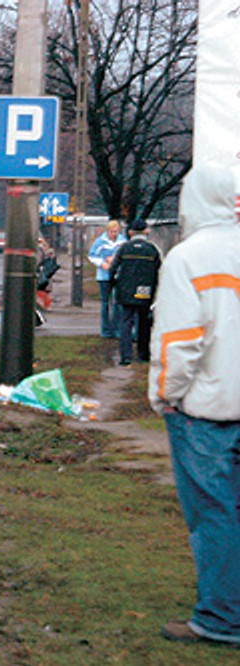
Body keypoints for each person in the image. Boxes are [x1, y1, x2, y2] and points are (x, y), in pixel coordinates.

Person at [148, 162, 240, 647]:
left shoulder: (190, 259)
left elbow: (180, 343)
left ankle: (221, 618)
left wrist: (165, 394)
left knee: (213, 516)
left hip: (207, 410)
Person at [109, 218, 161, 366]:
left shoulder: (124, 248)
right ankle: (143, 354)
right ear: (146, 231)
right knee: (144, 322)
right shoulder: (152, 250)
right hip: (145, 289)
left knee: (126, 322)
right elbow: (160, 270)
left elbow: (113, 268)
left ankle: (126, 356)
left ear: (131, 232)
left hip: (126, 290)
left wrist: (114, 285)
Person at [87, 219, 126, 338]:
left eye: (116, 231)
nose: (114, 234)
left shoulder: (123, 241)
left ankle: (117, 329)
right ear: (107, 231)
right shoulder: (100, 242)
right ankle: (106, 330)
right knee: (105, 304)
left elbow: (125, 254)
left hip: (118, 275)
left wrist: (116, 261)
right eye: (112, 231)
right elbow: (92, 256)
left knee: (118, 303)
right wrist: (102, 263)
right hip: (104, 276)